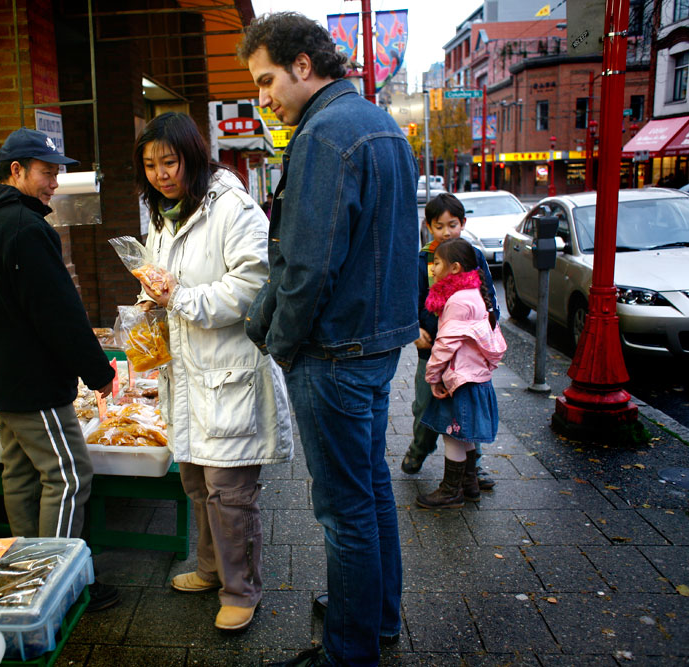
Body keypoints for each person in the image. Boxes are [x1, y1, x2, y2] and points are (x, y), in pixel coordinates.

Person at [239, 13, 419, 666]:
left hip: (334, 352)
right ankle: (377, 618)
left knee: (345, 512)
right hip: (374, 346)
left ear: (303, 66)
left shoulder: (322, 136)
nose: (263, 97)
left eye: (266, 81)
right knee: (369, 492)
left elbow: (307, 265)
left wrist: (280, 344)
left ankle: (349, 649)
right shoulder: (380, 125)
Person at [131, 112, 294, 632]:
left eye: (170, 161)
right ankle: (209, 568)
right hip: (186, 373)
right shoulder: (162, 214)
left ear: (193, 157)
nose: (161, 173)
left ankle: (241, 590)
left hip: (229, 373)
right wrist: (151, 302)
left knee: (231, 493)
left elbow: (253, 285)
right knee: (197, 481)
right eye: (151, 165)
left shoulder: (232, 207)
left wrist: (180, 298)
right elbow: (164, 279)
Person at [0, 127, 118, 611]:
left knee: (22, 473)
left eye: (57, 173)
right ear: (16, 171)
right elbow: (58, 311)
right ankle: (59, 584)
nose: (54, 183)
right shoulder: (25, 228)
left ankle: (24, 575)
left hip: (1, 379)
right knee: (69, 476)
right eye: (47, 173)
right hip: (32, 383)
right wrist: (97, 371)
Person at [401, 193, 499, 496]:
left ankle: (473, 468)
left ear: (463, 223)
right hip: (430, 350)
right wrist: (414, 328)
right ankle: (420, 448)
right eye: (439, 226)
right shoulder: (422, 260)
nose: (446, 232)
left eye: (452, 225)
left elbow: (488, 296)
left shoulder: (472, 255)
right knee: (425, 404)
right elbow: (408, 300)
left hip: (466, 356)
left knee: (464, 411)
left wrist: (489, 328)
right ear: (429, 226)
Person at [416, 238, 506, 509]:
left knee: (453, 434)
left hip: (459, 380)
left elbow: (445, 344)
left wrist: (432, 375)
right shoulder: (475, 293)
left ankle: (450, 491)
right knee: (464, 435)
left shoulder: (457, 300)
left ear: (454, 268)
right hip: (473, 378)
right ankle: (470, 484)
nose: (433, 269)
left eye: (438, 263)